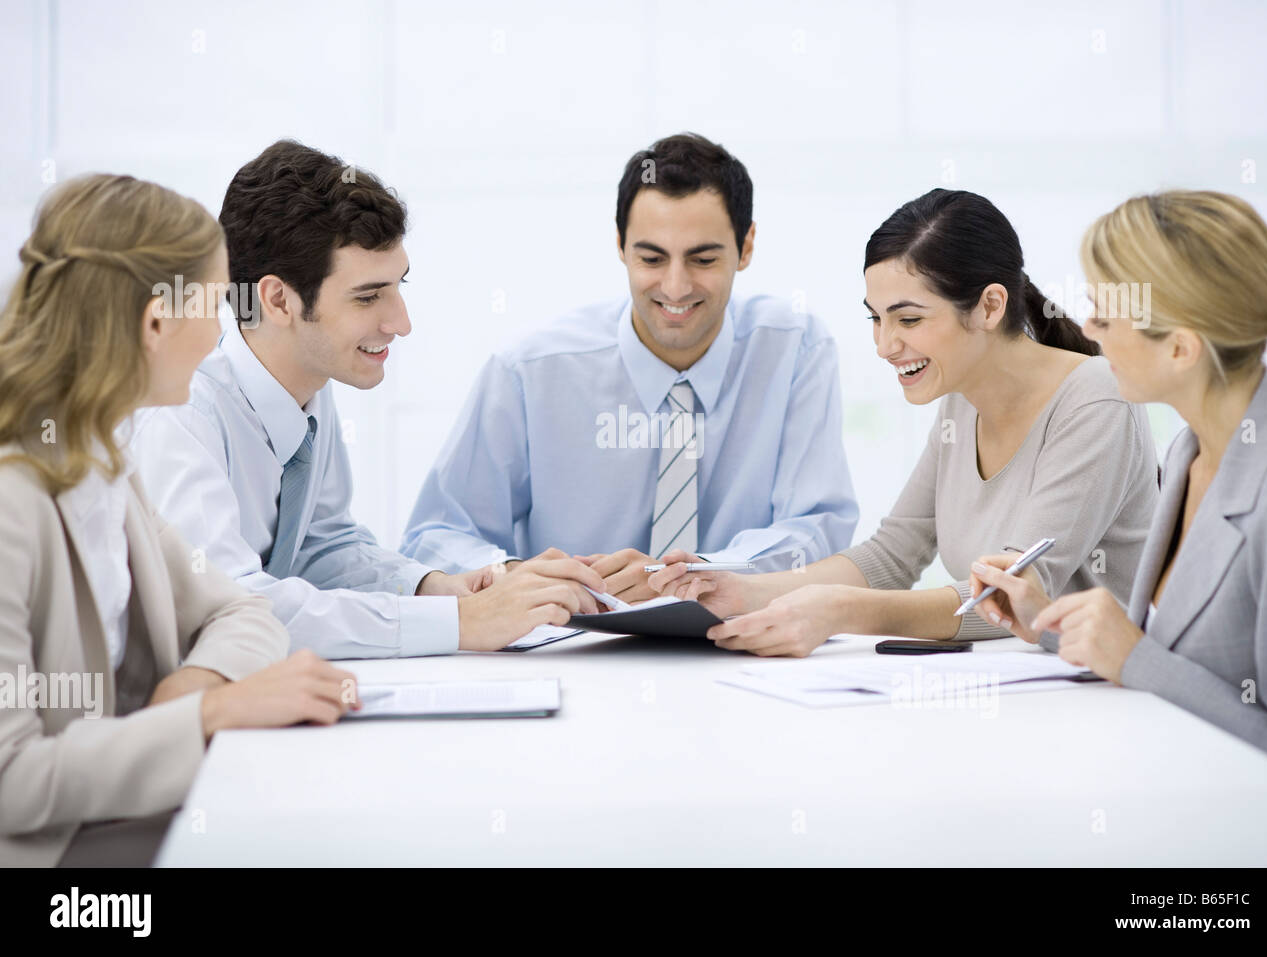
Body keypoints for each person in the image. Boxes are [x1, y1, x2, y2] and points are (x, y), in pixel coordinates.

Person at [0, 174, 359, 867]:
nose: (224, 328)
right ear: (155, 322)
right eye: (218, 301)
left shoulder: (101, 465)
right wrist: (208, 714)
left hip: (117, 822)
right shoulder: (16, 503)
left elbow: (245, 610)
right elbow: (12, 782)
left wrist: (194, 688)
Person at [131, 141, 608, 658]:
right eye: (367, 296)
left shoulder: (309, 384)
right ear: (277, 300)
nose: (400, 324)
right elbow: (228, 607)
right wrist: (455, 623)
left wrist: (438, 588)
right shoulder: (182, 416)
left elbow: (321, 547)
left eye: (398, 287)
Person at [650, 188, 1158, 655]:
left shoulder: (1096, 399)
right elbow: (893, 554)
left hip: (1095, 698)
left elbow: (1013, 597)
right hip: (1017, 687)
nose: (884, 345)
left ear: (990, 306)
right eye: (876, 318)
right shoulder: (962, 398)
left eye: (908, 319)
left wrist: (840, 611)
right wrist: (741, 589)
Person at [400, 132, 858, 603]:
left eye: (703, 258)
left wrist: (698, 575)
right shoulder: (529, 372)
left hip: (738, 640)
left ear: (746, 247)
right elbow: (435, 534)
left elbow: (817, 527)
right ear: (620, 245)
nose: (676, 287)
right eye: (651, 258)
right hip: (574, 642)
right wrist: (516, 575)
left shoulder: (796, 350)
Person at [967, 190, 1267, 769]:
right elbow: (1174, 659)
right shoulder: (1189, 454)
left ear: (1179, 348)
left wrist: (1134, 656)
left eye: (1106, 314)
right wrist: (1047, 620)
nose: (1089, 330)